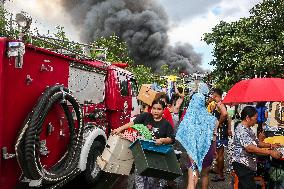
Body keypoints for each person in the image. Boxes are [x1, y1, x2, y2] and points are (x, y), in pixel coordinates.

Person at [112, 98, 174, 189]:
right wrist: (119, 129)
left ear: (163, 110)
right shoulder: (145, 116)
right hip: (141, 154)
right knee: (139, 179)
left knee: (153, 182)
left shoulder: (166, 124)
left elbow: (171, 139)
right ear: (151, 108)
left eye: (159, 109)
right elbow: (132, 123)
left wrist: (162, 140)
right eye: (154, 108)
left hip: (156, 157)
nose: (156, 111)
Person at [176, 83, 217, 189]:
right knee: (205, 175)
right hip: (207, 150)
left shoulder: (187, 119)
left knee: (192, 176)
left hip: (192, 153)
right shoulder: (211, 119)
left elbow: (182, 134)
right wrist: (214, 149)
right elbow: (213, 137)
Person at [232, 106, 283, 189]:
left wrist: (271, 145)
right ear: (248, 118)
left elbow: (257, 143)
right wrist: (270, 152)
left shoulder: (248, 129)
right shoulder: (241, 130)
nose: (256, 121)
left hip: (249, 163)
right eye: (255, 118)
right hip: (242, 164)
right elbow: (250, 148)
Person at [211, 88, 232, 182]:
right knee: (219, 153)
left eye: (212, 95)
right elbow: (229, 117)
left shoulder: (219, 104)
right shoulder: (221, 103)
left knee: (219, 154)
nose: (211, 96)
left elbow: (224, 114)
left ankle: (220, 174)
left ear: (215, 95)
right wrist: (229, 129)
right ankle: (218, 170)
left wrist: (218, 123)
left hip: (220, 131)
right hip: (223, 131)